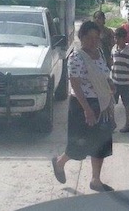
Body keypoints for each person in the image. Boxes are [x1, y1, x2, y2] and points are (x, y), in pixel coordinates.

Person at [51, 21, 117, 192]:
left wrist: (110, 84)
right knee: (79, 145)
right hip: (82, 106)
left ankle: (96, 180)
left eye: (96, 38)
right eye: (89, 37)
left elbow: (104, 75)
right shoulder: (76, 57)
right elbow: (76, 85)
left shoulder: (100, 53)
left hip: (101, 104)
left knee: (101, 144)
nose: (93, 41)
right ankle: (59, 163)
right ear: (81, 37)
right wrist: (87, 109)